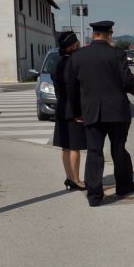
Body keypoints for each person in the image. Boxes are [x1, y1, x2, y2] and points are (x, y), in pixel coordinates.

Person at [68, 21, 134, 207]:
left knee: (94, 153)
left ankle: (94, 196)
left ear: (93, 35)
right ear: (109, 34)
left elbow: (72, 89)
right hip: (117, 112)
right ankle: (124, 186)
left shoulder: (78, 56)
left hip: (92, 113)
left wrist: (77, 112)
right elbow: (127, 82)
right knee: (119, 149)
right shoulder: (117, 53)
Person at [51, 31, 87, 191]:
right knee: (74, 147)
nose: (78, 45)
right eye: (76, 43)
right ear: (72, 46)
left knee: (65, 147)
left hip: (61, 109)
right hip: (73, 111)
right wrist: (79, 111)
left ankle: (68, 177)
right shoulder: (75, 63)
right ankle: (76, 180)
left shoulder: (58, 64)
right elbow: (76, 91)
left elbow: (58, 90)